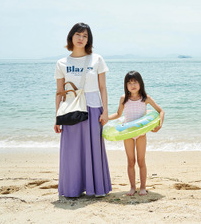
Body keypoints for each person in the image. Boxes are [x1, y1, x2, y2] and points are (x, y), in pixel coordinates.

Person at [54, 22, 112, 197]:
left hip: (94, 108)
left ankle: (96, 188)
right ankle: (72, 189)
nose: (81, 38)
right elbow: (59, 92)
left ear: (89, 40)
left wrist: (106, 111)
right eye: (78, 34)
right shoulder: (62, 63)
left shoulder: (97, 59)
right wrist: (56, 117)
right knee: (71, 150)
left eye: (85, 36)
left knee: (94, 148)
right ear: (71, 37)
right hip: (71, 110)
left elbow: (103, 87)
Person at [109, 71, 165, 196]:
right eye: (129, 82)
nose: (132, 85)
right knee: (130, 161)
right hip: (127, 133)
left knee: (141, 161)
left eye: (135, 82)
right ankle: (132, 187)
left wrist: (159, 125)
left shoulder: (145, 98)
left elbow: (161, 111)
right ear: (126, 85)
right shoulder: (124, 98)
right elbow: (118, 114)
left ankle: (143, 187)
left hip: (141, 133)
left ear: (140, 83)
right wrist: (106, 118)